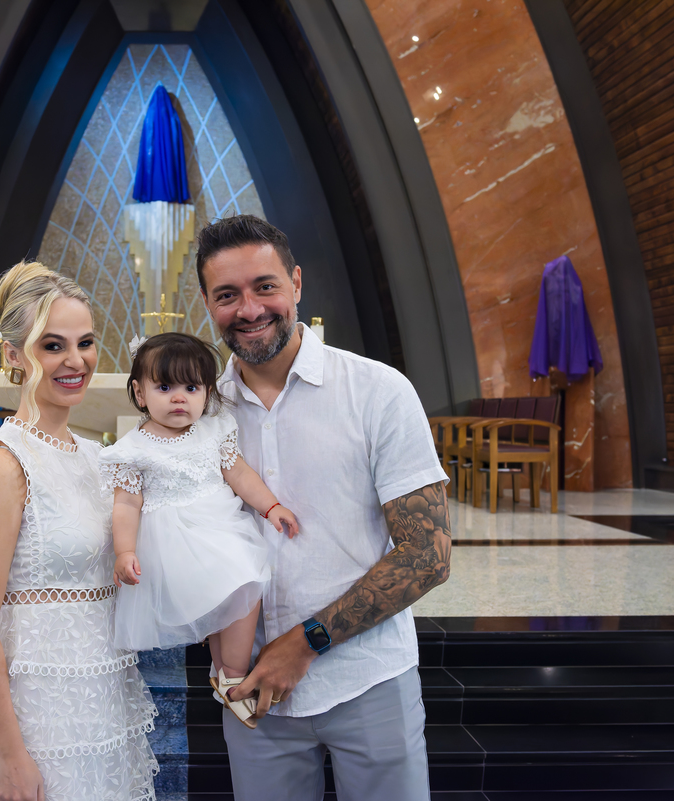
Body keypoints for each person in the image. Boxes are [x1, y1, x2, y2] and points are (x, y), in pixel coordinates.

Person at [196, 215, 453, 801]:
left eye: (265, 286)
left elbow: (428, 555)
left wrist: (304, 642)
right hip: (252, 691)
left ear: (296, 283)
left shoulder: (377, 391)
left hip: (367, 680)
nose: (249, 309)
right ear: (207, 303)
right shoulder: (201, 413)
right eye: (227, 295)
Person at [0, 261, 157, 801]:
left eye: (85, 343)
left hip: (103, 700)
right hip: (39, 716)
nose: (76, 361)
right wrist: (10, 755)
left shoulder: (97, 457)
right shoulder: (2, 463)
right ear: (13, 355)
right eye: (53, 346)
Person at [98, 332, 299, 728]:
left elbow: (239, 473)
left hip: (221, 530)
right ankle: (234, 676)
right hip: (175, 545)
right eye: (165, 387)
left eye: (191, 388)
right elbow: (126, 505)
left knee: (242, 588)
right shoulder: (132, 450)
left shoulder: (214, 430)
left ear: (207, 392)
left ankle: (226, 672)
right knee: (238, 587)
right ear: (140, 393)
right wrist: (125, 551)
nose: (179, 398)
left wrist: (271, 506)